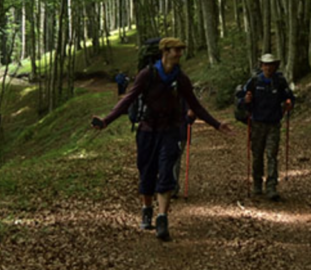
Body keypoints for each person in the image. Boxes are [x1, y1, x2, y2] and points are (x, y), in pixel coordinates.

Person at [91, 37, 232, 241]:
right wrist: (106, 121)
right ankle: (147, 209)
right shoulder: (147, 75)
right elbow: (128, 100)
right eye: (176, 50)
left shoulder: (181, 79)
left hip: (170, 131)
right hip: (147, 131)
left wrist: (217, 124)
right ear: (165, 52)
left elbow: (196, 105)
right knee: (147, 173)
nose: (179, 54)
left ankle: (162, 218)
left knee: (166, 172)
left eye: (181, 51)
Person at [242, 53, 295, 201]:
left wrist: (289, 103)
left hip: (273, 124)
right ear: (261, 66)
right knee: (257, 155)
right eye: (265, 64)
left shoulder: (280, 82)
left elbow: (289, 97)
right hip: (257, 123)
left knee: (272, 155)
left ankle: (271, 186)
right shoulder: (254, 81)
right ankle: (257, 183)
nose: (268, 67)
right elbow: (241, 97)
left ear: (275, 66)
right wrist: (245, 100)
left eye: (271, 64)